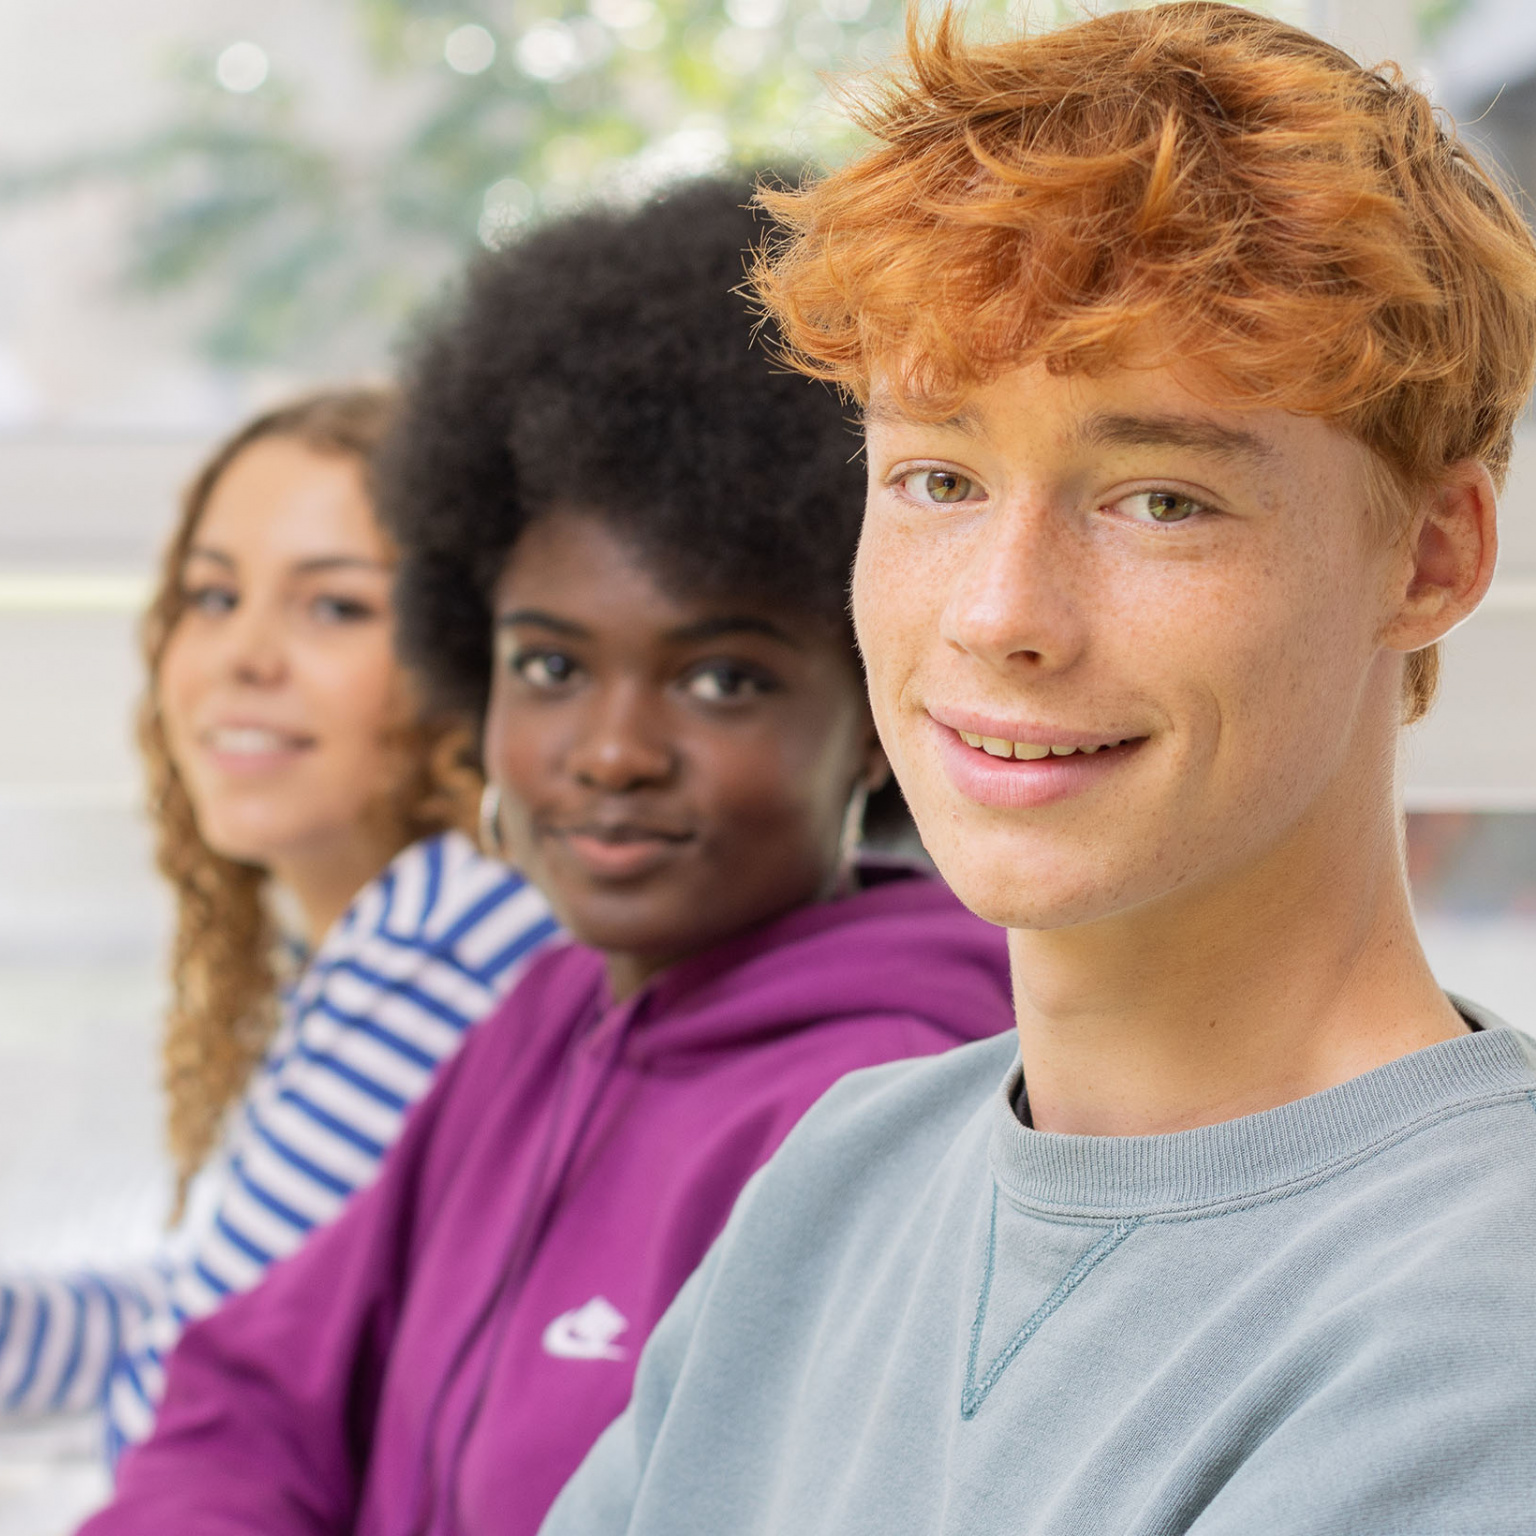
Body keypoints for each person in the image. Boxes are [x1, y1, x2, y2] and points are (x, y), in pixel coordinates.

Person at [538, 8, 1536, 1535]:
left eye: (1159, 500)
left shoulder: (1479, 1330)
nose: (1001, 615)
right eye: (938, 478)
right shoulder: (842, 1179)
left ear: (1435, 553)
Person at [76, 176, 1015, 1536]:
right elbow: (252, 1398)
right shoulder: (540, 1019)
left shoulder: (880, 1120)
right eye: (552, 665)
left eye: (725, 682)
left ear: (877, 719)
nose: (613, 751)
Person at [0, 390, 557, 1454]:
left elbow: (198, 1407)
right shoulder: (407, 925)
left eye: (336, 608)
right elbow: (203, 1318)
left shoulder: (443, 940)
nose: (242, 657)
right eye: (211, 598)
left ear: (466, 659)